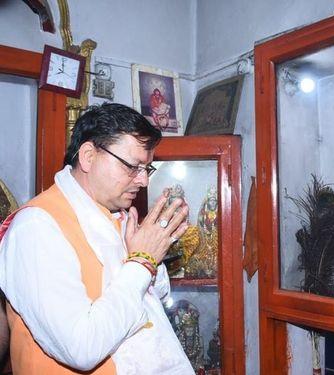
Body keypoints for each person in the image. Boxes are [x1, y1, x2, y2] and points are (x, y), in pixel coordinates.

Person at [0, 103, 195, 374]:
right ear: (89, 156)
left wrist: (149, 258)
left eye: (147, 169)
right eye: (133, 166)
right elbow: (82, 348)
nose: (143, 181)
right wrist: (141, 261)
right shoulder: (36, 227)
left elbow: (156, 296)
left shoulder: (120, 215)